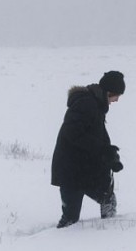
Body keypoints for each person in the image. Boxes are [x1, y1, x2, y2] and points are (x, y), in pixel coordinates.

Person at [50, 70, 125, 228]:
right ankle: (56, 243)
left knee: (107, 198)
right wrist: (102, 150)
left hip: (83, 168)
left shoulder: (95, 105)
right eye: (117, 95)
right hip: (71, 169)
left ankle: (111, 229)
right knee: (70, 219)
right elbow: (72, 132)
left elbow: (98, 135)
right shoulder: (87, 104)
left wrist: (110, 152)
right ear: (108, 92)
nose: (116, 100)